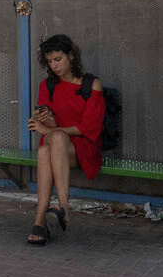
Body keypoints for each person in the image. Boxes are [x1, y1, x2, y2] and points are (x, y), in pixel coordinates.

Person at [26, 34, 104, 246]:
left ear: (71, 56)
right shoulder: (47, 85)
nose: (54, 65)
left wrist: (51, 130)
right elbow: (48, 129)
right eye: (50, 61)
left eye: (58, 59)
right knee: (44, 150)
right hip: (56, 146)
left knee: (54, 141)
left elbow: (88, 128)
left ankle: (60, 209)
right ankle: (44, 218)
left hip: (84, 147)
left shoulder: (92, 84)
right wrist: (44, 124)